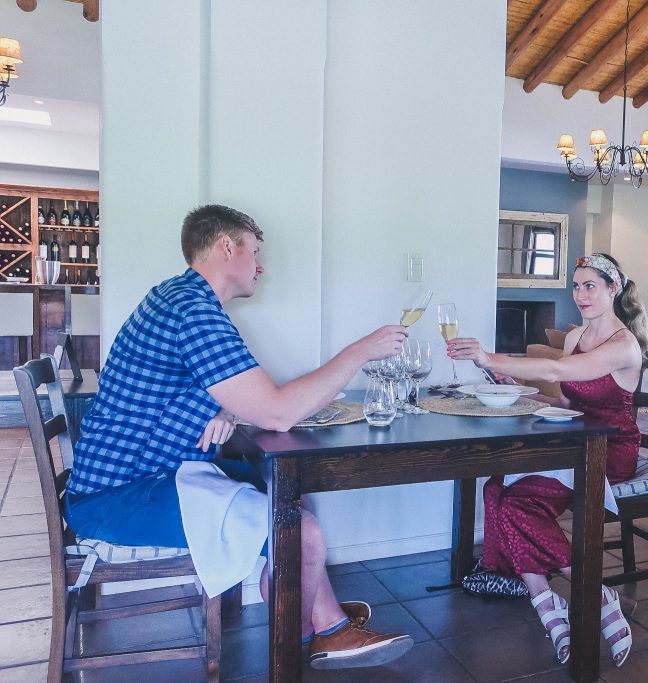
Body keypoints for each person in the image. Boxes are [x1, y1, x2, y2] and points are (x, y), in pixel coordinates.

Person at [64, 205, 413, 670]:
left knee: (287, 495)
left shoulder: (179, 299)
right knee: (302, 532)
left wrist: (226, 406)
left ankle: (325, 622)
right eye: (255, 251)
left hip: (147, 475)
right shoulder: (194, 311)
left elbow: (232, 391)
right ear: (228, 246)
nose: (261, 265)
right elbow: (279, 412)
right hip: (118, 497)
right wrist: (358, 352)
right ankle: (303, 638)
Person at [447, 253, 648, 668]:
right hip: (573, 443)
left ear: (614, 288)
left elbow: (556, 373)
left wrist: (489, 357)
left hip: (609, 451)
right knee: (498, 492)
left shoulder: (623, 344)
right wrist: (516, 387)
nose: (580, 294)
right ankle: (557, 604)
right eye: (575, 286)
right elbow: (561, 399)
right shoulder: (576, 337)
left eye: (590, 285)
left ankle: (578, 599)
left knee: (515, 506)